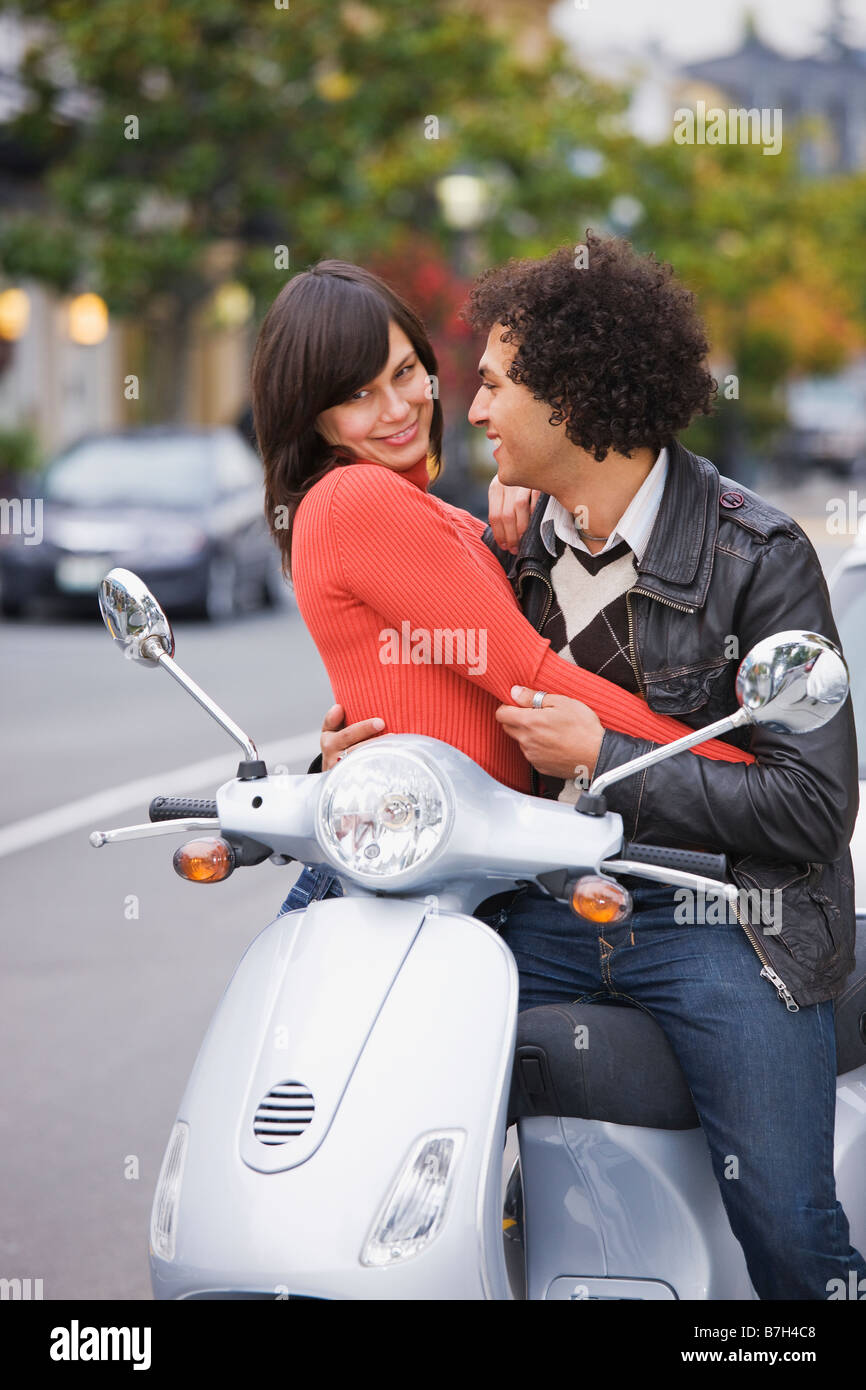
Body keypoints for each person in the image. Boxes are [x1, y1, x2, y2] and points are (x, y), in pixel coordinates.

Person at [298, 237, 864, 1300]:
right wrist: (341, 757)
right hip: (542, 910)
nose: (468, 413)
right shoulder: (502, 547)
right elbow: (426, 694)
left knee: (790, 1234)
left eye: (498, 387)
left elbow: (809, 807)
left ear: (574, 398)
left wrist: (608, 756)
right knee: (364, 1108)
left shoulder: (758, 554)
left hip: (724, 916)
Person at [249, 258, 753, 909]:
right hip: (396, 897)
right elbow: (527, 678)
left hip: (449, 881)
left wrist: (521, 492)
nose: (399, 408)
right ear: (309, 412)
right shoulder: (356, 497)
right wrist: (732, 770)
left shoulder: (434, 515)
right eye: (356, 395)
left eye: (405, 372)